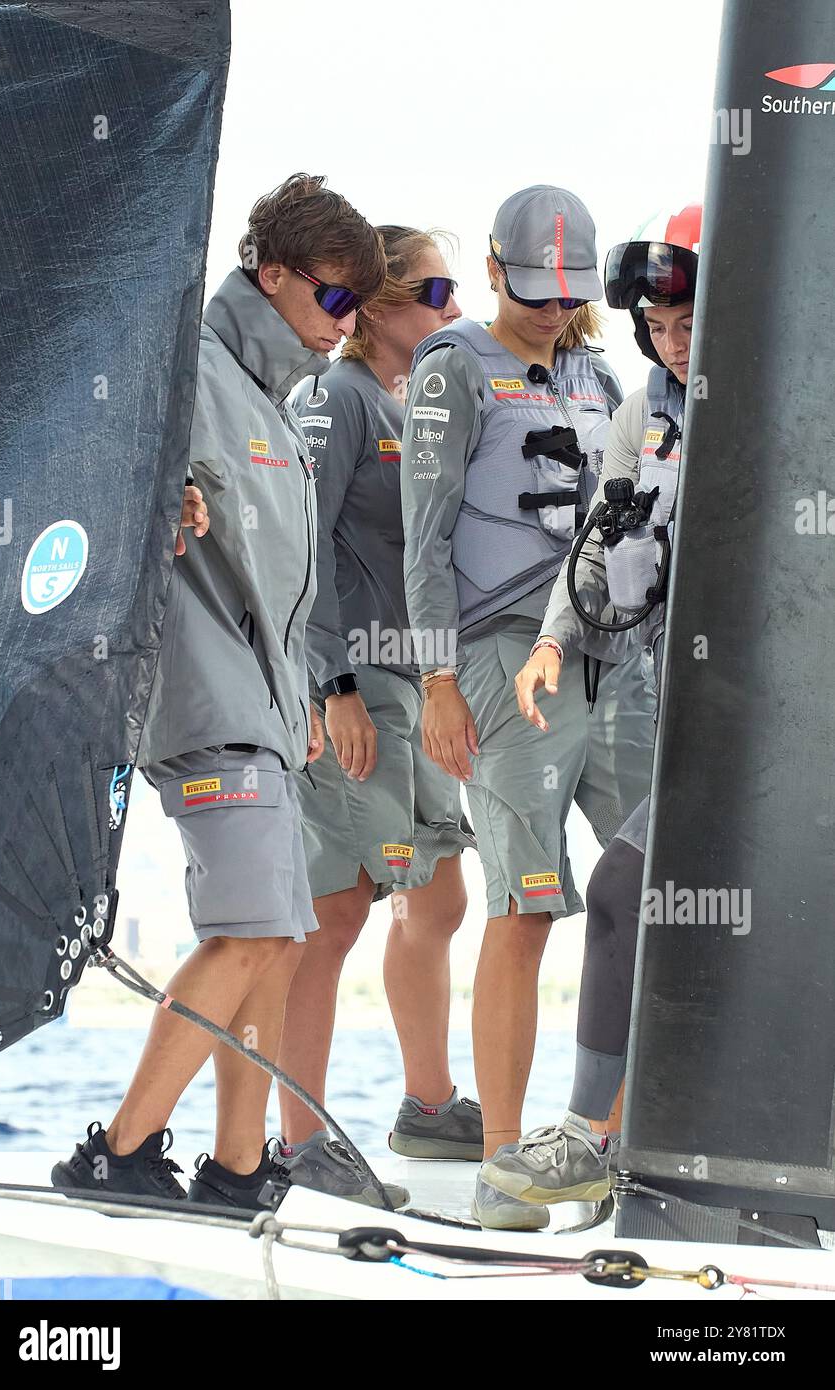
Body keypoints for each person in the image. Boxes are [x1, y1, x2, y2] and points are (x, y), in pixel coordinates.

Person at [51, 174, 386, 1210]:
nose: (345, 325)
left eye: (358, 308)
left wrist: (299, 709)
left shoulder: (278, 413)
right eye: (332, 298)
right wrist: (151, 489)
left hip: (261, 715)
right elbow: (88, 448)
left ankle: (240, 1167)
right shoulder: (181, 369)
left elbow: (281, 594)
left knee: (277, 939)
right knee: (244, 933)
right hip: (199, 703)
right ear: (268, 273)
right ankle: (116, 1150)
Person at [399, 186, 657, 1229]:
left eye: (570, 294)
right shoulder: (452, 369)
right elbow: (416, 539)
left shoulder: (604, 376)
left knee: (655, 894)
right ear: (497, 273)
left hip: (617, 657)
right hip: (501, 663)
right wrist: (434, 682)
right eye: (535, 290)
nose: (552, 310)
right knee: (525, 905)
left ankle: (617, 1145)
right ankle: (501, 1164)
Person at [481, 205, 701, 1229]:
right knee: (625, 889)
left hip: (786, 723)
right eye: (656, 323)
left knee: (630, 886)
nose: (673, 338)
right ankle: (597, 1137)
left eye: (689, 317)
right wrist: (549, 641)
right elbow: (600, 537)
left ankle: (605, 1135)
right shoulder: (641, 416)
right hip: (690, 712)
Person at [278, 228, 482, 1200]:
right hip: (353, 687)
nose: (450, 310)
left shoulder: (412, 402)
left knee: (437, 898)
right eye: (433, 289)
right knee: (332, 915)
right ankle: (297, 1144)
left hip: (415, 689)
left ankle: (428, 1108)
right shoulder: (335, 397)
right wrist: (331, 689)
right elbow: (294, 546)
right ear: (378, 303)